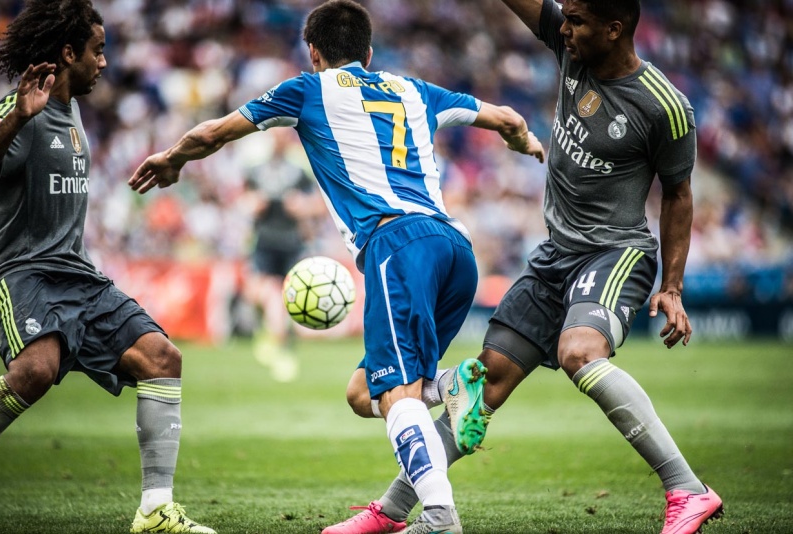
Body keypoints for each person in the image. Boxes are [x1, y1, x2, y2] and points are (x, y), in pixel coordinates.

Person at [127, 1, 545, 532]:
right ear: (368, 54)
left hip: (397, 245)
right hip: (454, 248)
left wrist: (173, 159)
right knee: (362, 392)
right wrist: (526, 142)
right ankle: (447, 388)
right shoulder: (413, 89)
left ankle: (440, 516)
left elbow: (214, 133)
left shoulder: (308, 89)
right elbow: (508, 118)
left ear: (314, 53)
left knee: (396, 395)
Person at [325, 1, 724, 534]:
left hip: (616, 252)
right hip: (555, 256)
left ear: (614, 29)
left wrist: (671, 286)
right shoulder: (571, 48)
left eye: (577, 21)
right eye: (566, 17)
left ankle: (688, 489)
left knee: (579, 352)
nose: (565, 28)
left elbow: (678, 194)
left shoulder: (665, 107)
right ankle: (394, 511)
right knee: (482, 384)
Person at [0, 2, 215, 533]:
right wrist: (17, 117)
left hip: (76, 271)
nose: (105, 62)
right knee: (35, 372)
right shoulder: (20, 107)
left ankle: (155, 511)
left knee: (161, 358)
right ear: (69, 53)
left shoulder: (72, 111)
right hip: (20, 271)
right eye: (98, 50)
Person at [242, 130, 321, 382]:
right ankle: (269, 333)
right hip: (264, 240)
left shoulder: (298, 170)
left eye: (284, 135)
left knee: (283, 296)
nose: (279, 140)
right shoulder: (256, 169)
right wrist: (254, 204)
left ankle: (281, 346)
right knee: (257, 293)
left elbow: (318, 203)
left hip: (291, 242)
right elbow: (244, 199)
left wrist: (302, 208)